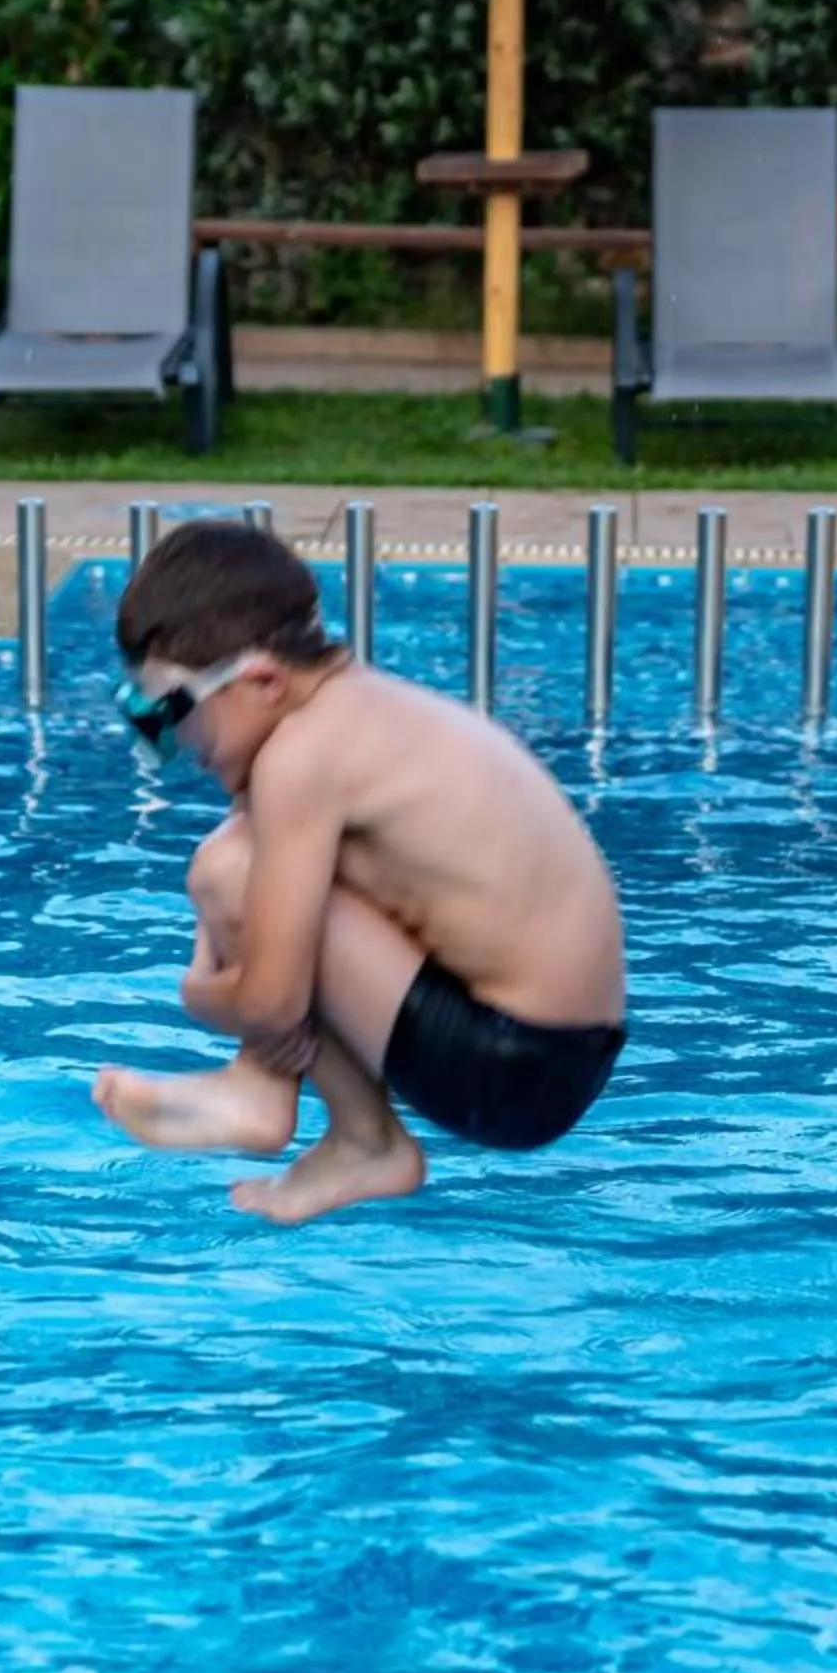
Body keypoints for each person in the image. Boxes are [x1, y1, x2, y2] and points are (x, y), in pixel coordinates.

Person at [91, 521, 629, 1225]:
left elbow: (271, 1005)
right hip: (558, 1050)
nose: (173, 744)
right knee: (240, 856)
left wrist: (197, 994)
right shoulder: (359, 707)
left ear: (261, 680)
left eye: (168, 711)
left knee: (229, 870)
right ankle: (279, 1095)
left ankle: (353, 1134)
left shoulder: (302, 759)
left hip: (518, 1067)